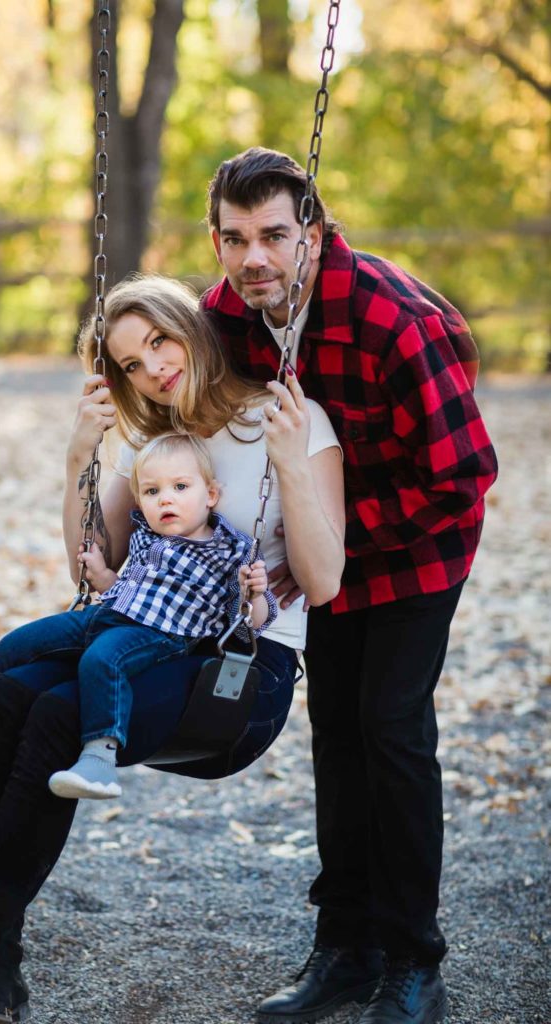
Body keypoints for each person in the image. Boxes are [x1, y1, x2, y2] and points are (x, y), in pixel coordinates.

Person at [0, 275, 345, 1024]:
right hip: (144, 639)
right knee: (8, 693)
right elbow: (89, 567)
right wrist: (78, 460)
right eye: (129, 362)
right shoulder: (152, 445)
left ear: (189, 328)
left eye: (159, 340)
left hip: (239, 674)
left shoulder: (294, 420)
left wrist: (287, 464)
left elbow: (322, 583)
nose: (152, 367)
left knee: (58, 710)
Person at [201, 146, 499, 1024]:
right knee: (335, 728)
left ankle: (414, 960)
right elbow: (181, 399)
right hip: (318, 550)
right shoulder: (228, 314)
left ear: (314, 233)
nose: (255, 258)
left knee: (391, 728)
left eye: (275, 236)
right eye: (234, 238)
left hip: (419, 540)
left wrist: (326, 544)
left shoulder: (391, 319)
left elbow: (463, 476)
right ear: (216, 242)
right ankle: (345, 947)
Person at [0, 431, 277, 801]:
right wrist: (101, 576)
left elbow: (253, 620)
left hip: (161, 634)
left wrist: (253, 592)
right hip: (106, 615)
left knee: (103, 660)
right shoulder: (146, 534)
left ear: (210, 495)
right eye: (151, 491)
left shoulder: (230, 549)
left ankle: (99, 757)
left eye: (180, 486)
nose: (166, 499)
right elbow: (126, 587)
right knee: (16, 644)